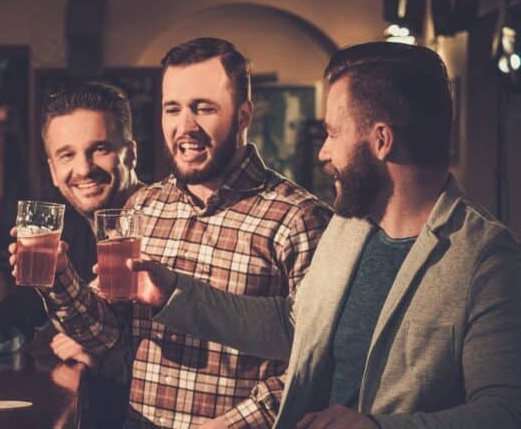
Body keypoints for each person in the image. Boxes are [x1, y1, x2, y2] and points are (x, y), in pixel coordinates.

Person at [143, 42, 521, 428]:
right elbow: (295, 326)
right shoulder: (348, 227)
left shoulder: (486, 257)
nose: (323, 152)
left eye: (333, 134)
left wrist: (375, 427)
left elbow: (505, 411)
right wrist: (173, 291)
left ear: (380, 141)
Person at [13, 37, 331, 428]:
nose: (185, 127)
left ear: (244, 114)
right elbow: (106, 336)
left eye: (203, 108)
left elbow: (316, 360)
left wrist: (233, 425)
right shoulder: (143, 207)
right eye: (173, 109)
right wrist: (59, 277)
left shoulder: (300, 219)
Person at [0, 82, 143, 427]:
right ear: (52, 170)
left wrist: (103, 355)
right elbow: (26, 307)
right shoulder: (72, 228)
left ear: (130, 154)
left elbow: (195, 355)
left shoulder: (164, 222)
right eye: (67, 155)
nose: (83, 168)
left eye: (99, 148)